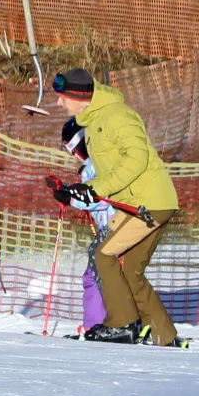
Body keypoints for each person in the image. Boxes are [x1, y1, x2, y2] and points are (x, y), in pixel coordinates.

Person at [49, 68, 182, 346]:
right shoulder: (96, 119)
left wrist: (95, 189)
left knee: (103, 254)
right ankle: (163, 336)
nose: (59, 103)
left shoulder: (117, 116)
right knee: (129, 270)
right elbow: (107, 173)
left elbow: (135, 158)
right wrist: (76, 194)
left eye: (62, 97)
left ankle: (121, 324)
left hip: (148, 202)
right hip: (136, 202)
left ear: (79, 97)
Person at [56, 117, 115, 336]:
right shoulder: (110, 159)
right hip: (120, 227)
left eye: (74, 150)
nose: (75, 156)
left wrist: (70, 199)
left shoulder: (92, 166)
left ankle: (97, 326)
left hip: (114, 229)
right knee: (116, 276)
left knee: (96, 277)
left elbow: (99, 197)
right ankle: (122, 323)